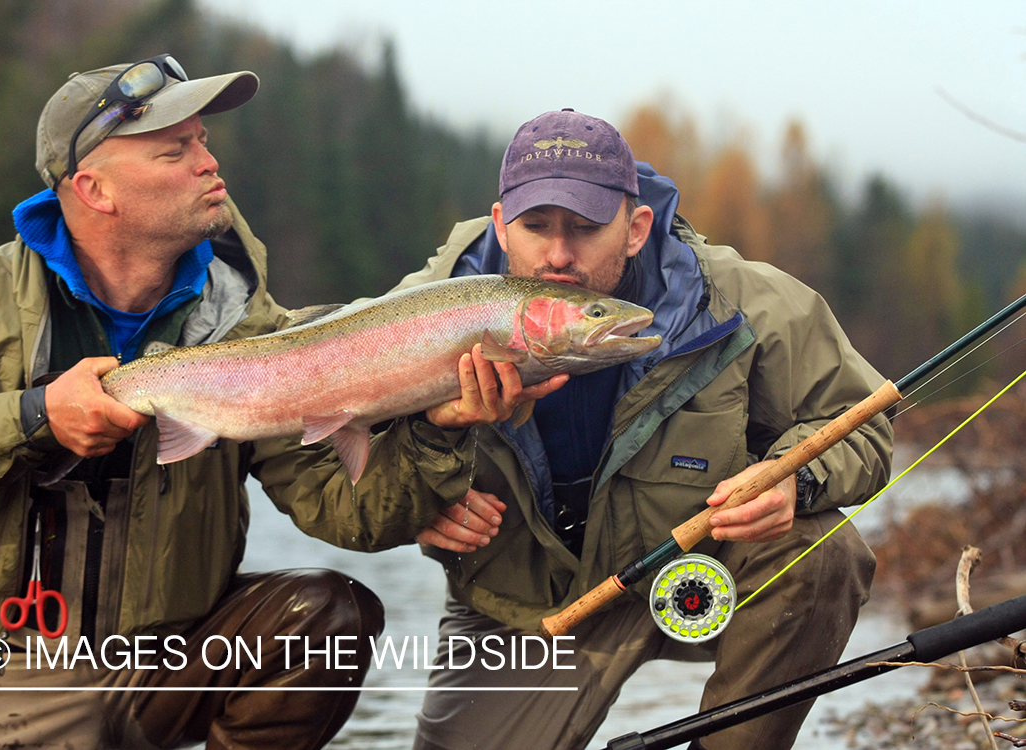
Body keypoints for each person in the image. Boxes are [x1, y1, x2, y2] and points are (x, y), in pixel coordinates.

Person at [0, 54, 479, 750]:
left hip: (180, 665)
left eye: (203, 140)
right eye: (176, 150)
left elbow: (346, 511)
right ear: (95, 189)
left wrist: (439, 433)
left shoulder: (245, 318)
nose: (209, 162)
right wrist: (35, 419)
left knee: (325, 617)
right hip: (15, 665)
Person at [383, 109, 894, 750]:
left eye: (586, 227)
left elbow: (867, 426)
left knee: (825, 554)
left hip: (691, 573)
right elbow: (334, 470)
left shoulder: (746, 302)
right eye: (536, 227)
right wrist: (415, 498)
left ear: (636, 227)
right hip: (522, 612)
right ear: (499, 225)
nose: (559, 254)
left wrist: (798, 479)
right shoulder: (413, 314)